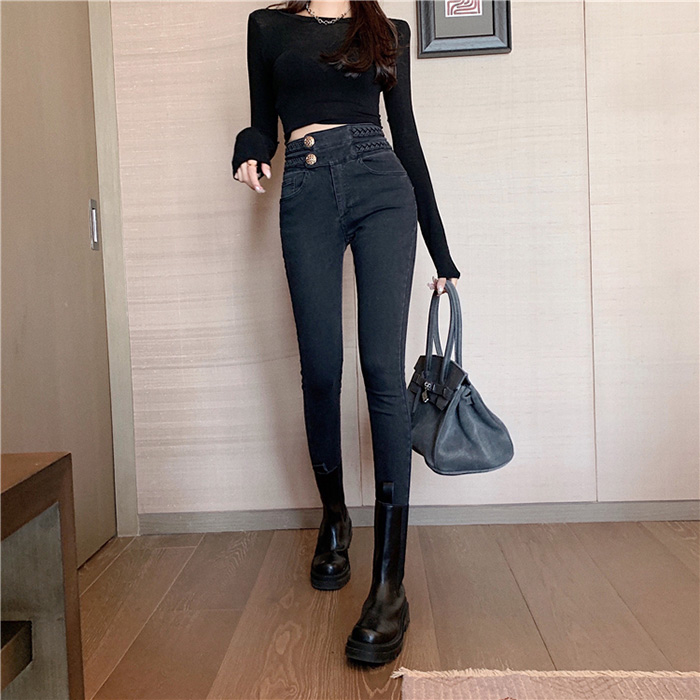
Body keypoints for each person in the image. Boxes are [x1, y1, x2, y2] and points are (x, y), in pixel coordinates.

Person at [231, 0, 460, 665]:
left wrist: (440, 252)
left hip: (381, 185)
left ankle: (390, 584)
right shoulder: (269, 27)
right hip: (305, 186)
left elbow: (406, 138)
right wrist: (248, 150)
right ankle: (335, 518)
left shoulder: (388, 33)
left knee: (383, 371)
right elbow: (261, 121)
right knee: (322, 369)